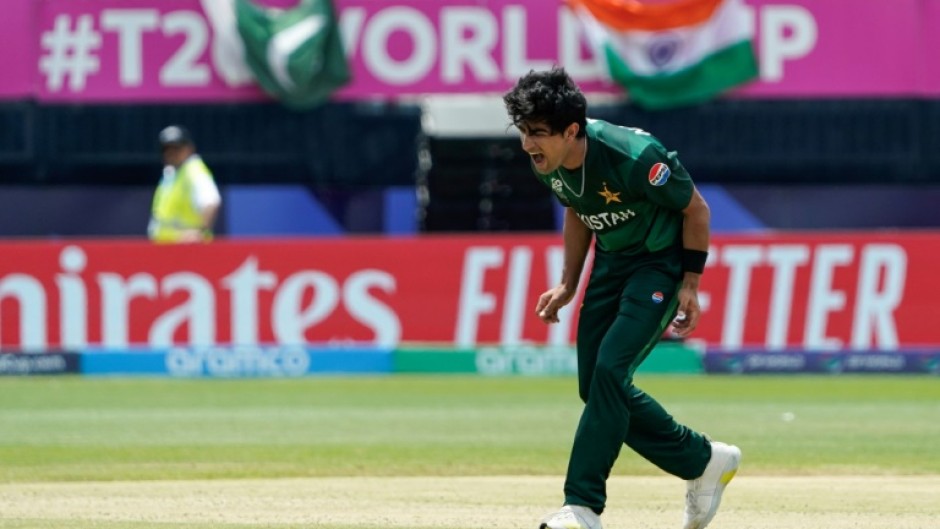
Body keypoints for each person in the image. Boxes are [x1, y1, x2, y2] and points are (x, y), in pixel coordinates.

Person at [503, 67, 741, 529]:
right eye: (523, 132)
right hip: (610, 264)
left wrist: (689, 284)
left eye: (537, 134)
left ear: (572, 130)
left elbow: (696, 209)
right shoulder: (545, 163)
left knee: (611, 371)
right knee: (594, 386)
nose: (528, 145)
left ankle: (582, 506)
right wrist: (569, 283)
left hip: (659, 265)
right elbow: (577, 207)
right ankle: (705, 461)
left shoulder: (635, 157)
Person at [148, 125, 222, 243]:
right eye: (167, 149)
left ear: (189, 148)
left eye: (176, 148)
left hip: (189, 251)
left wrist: (199, 231)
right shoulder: (171, 173)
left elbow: (211, 202)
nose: (171, 153)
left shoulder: (194, 170)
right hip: (167, 249)